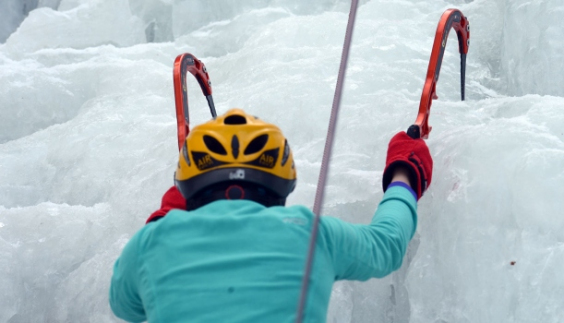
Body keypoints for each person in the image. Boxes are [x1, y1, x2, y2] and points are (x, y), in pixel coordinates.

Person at [109, 108, 433, 322]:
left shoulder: (152, 243)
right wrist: (405, 172)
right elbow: (388, 242)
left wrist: (165, 223)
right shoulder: (310, 235)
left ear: (188, 187)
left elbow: (126, 306)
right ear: (281, 182)